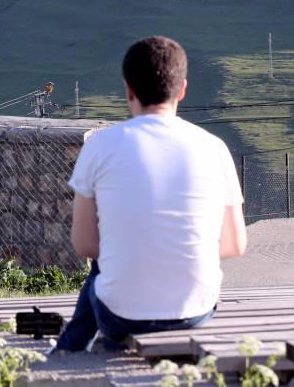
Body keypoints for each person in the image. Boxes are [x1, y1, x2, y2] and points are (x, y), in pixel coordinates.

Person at [54, 36, 246, 352]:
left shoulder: (100, 146)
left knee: (103, 270)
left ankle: (69, 350)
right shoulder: (214, 148)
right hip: (195, 310)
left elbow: (85, 245)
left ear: (128, 89)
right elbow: (235, 244)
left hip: (121, 315)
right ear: (182, 89)